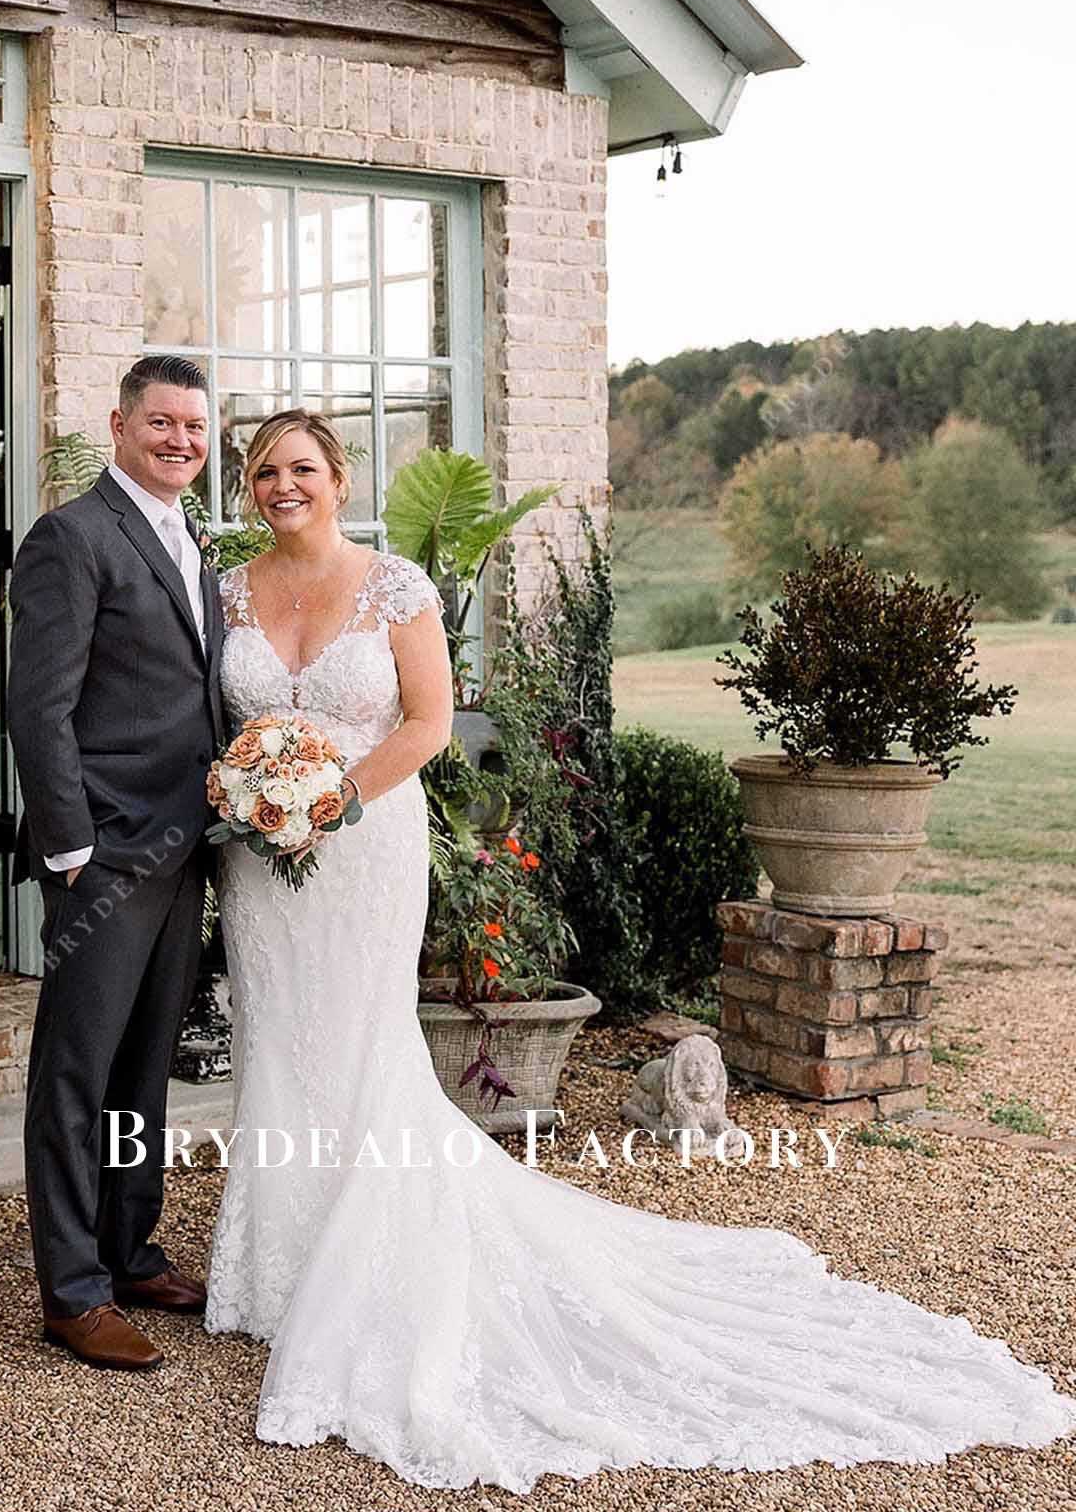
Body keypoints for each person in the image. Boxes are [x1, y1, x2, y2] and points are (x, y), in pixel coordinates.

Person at [204, 405, 1076, 1494]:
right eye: (261, 473)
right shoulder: (231, 591)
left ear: (337, 477)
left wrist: (335, 795)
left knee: (361, 1041)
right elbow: (226, 717)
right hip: (261, 861)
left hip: (364, 843)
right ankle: (271, 1273)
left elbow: (427, 724)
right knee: (281, 1042)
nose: (280, 486)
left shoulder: (397, 589)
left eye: (300, 468)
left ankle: (364, 1264)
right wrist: (249, 792)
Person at [8, 355, 225, 1370]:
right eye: (162, 423)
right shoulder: (72, 536)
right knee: (75, 1072)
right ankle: (73, 1290)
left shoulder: (196, 545)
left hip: (186, 850)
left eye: (194, 425)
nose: (180, 438)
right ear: (120, 425)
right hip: (102, 857)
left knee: (145, 1068)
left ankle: (130, 1248)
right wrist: (70, 850)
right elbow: (39, 704)